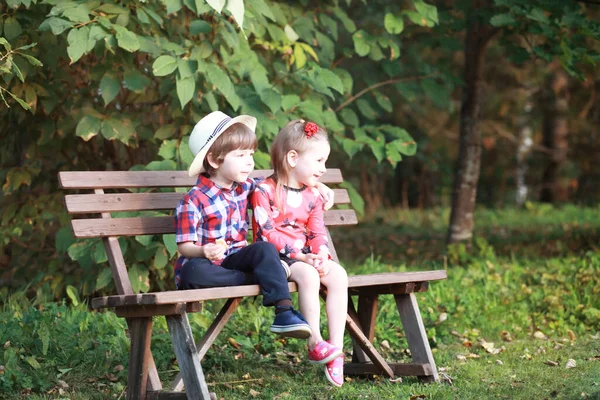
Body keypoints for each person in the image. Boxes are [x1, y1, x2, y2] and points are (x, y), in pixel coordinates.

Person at [174, 111, 333, 339]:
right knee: (191, 271)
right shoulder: (193, 199)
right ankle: (266, 275)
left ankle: (284, 312)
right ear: (214, 160)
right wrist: (202, 250)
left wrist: (319, 187)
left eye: (251, 154)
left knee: (265, 249)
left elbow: (286, 182)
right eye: (240, 155)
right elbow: (184, 247)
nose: (250, 161)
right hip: (207, 264)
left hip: (237, 259)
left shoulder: (247, 187)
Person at [250, 120, 349, 387]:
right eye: (318, 161)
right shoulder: (264, 191)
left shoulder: (313, 196)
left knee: (338, 276)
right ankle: (315, 341)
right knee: (307, 275)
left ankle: (335, 350)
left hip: (306, 255)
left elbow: (317, 232)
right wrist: (302, 256)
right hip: (277, 259)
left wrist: (321, 255)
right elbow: (268, 232)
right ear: (293, 158)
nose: (323, 168)